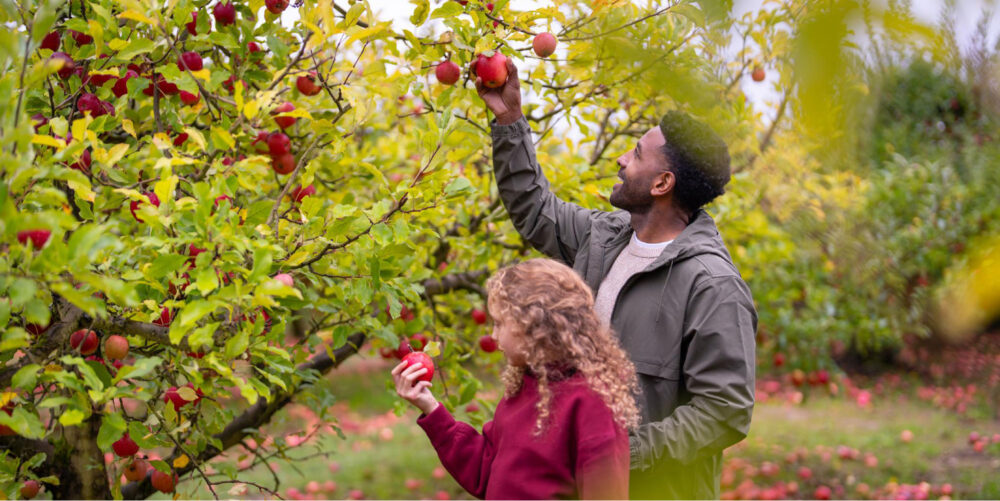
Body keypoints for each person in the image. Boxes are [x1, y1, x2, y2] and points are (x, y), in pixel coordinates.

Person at [474, 58, 757, 499]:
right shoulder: (602, 238)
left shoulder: (712, 285)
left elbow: (725, 409)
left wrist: (622, 452)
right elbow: (534, 209)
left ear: (663, 183)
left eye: (637, 154)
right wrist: (510, 120)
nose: (622, 159)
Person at [393, 258, 639, 499]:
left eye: (500, 323)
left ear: (534, 326)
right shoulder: (524, 385)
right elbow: (485, 470)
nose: (493, 334)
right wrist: (432, 409)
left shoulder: (591, 401)